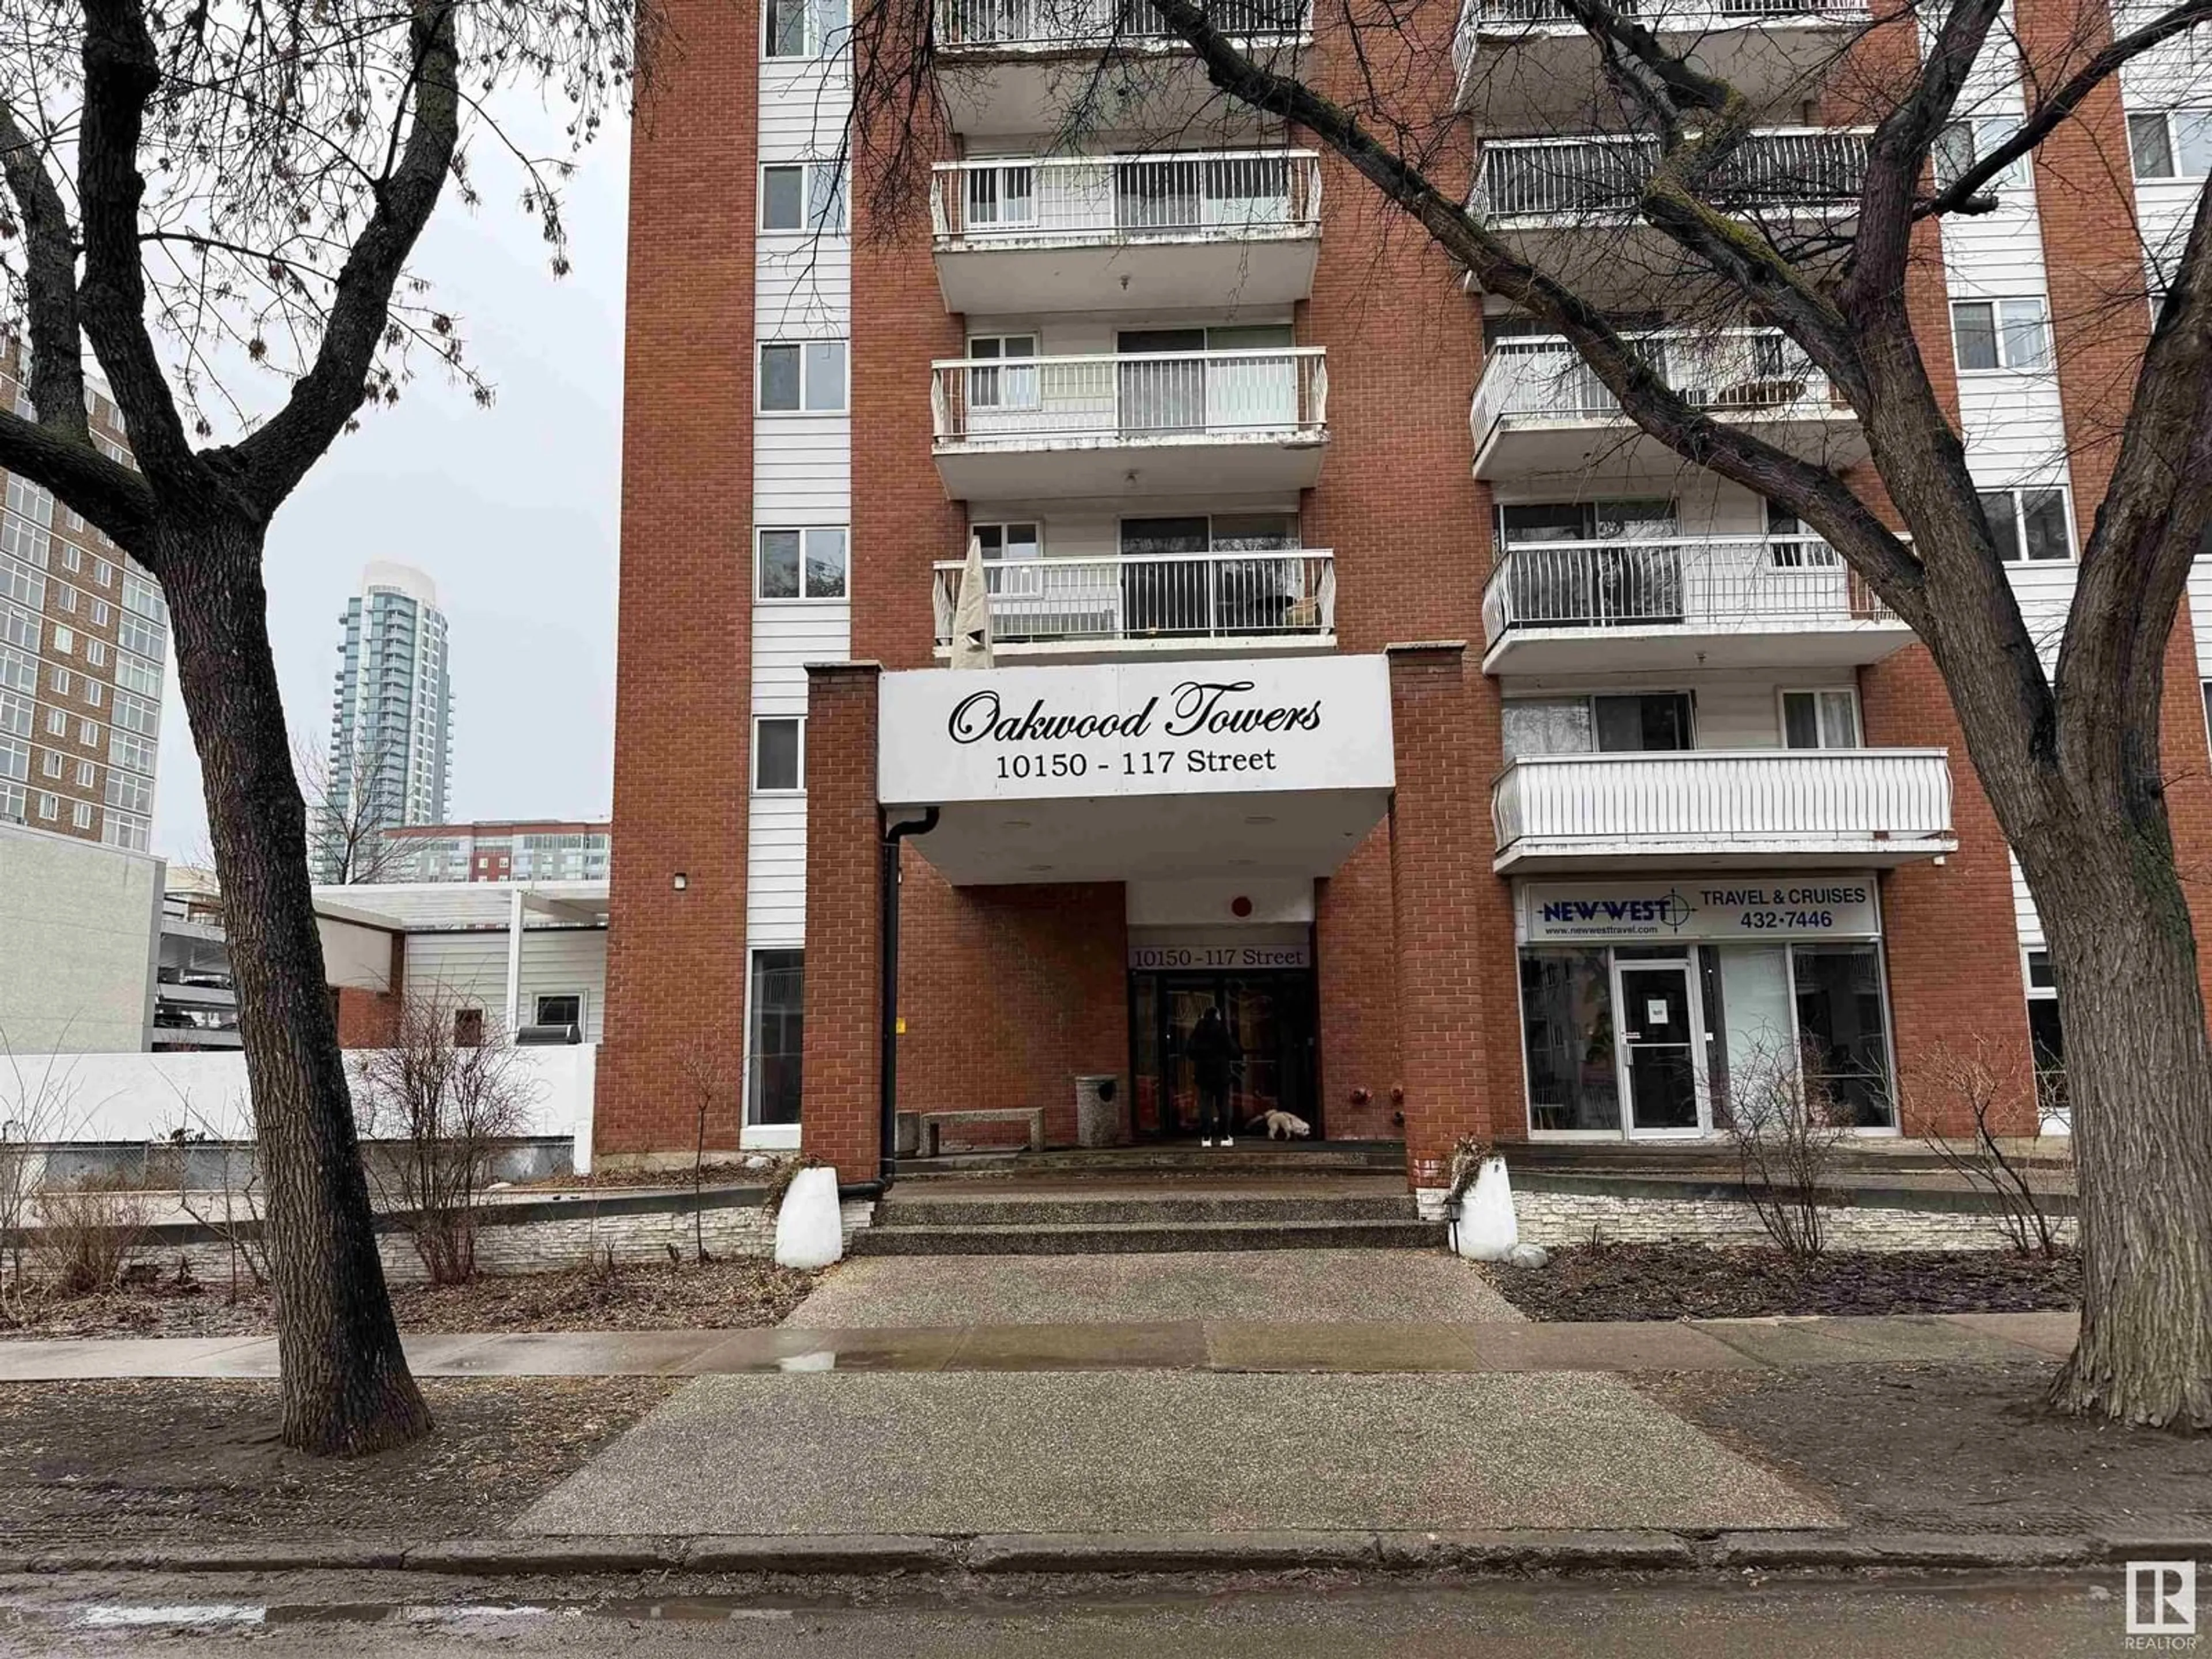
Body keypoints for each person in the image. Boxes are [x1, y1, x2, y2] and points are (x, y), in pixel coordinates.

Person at [1185, 1003, 1242, 1147]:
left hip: (1203, 1073)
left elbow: (1190, 1051)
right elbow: (1234, 1050)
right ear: (1217, 1015)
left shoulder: (1198, 1031)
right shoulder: (1221, 1029)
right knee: (1223, 1105)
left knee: (1205, 1106)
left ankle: (1206, 1137)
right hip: (1221, 1073)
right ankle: (1225, 1136)